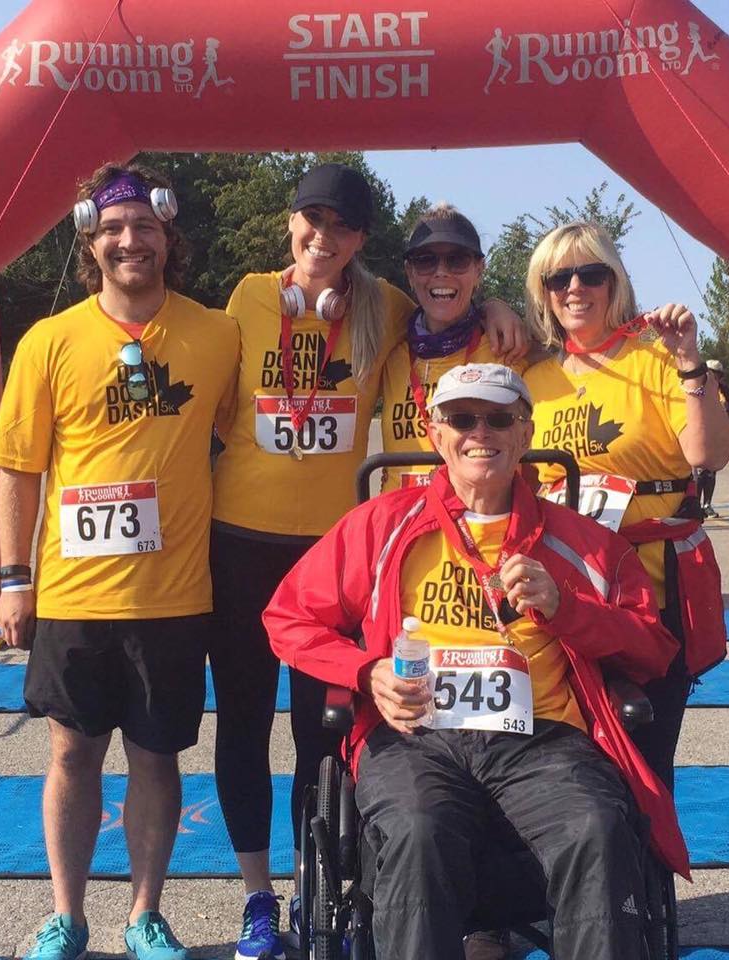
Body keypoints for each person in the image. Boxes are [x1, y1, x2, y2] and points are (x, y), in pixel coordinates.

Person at [263, 362, 690, 960]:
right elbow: (288, 617)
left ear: (525, 432)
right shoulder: (380, 526)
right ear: (436, 433)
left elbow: (652, 649)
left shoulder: (585, 544)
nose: (480, 433)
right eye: (463, 419)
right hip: (414, 737)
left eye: (498, 419)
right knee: (417, 830)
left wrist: (565, 609)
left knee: (594, 827)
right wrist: (364, 672)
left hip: (543, 738)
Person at [209, 163, 527, 959]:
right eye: (311, 219)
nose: (323, 236)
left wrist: (498, 304)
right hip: (240, 539)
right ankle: (256, 897)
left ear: (360, 240)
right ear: (290, 222)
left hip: (333, 550)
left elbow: (448, 309)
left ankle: (329, 883)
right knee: (243, 722)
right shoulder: (247, 297)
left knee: (321, 732)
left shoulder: (384, 308)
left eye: (342, 226)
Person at [0, 162, 238, 960]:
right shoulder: (49, 341)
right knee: (72, 753)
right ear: (90, 242)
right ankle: (66, 915)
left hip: (174, 596)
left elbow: (248, 432)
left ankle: (144, 915)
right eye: (114, 230)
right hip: (74, 595)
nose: (131, 241)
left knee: (157, 758)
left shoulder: (217, 334)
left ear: (169, 234)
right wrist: (14, 579)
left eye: (146, 228)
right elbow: (17, 468)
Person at [522, 220, 729, 794]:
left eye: (590, 274)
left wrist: (690, 361)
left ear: (614, 282)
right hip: (565, 591)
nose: (574, 288)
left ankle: (647, 850)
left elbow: (709, 454)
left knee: (646, 760)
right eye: (558, 278)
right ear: (542, 291)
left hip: (650, 589)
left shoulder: (656, 358)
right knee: (567, 760)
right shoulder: (531, 377)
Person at [380, 203, 530, 491]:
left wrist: (495, 306)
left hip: (478, 516)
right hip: (402, 515)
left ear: (479, 269)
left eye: (457, 260)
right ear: (409, 272)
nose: (441, 272)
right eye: (425, 261)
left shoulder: (507, 347)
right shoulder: (392, 352)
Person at [696, 359, 729, 519]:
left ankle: (707, 504)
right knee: (699, 472)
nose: (713, 377)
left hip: (717, 435)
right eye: (710, 373)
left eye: (716, 374)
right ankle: (696, 504)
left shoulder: (724, 392)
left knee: (711, 472)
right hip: (700, 434)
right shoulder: (698, 389)